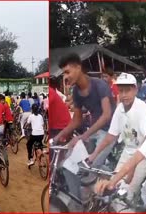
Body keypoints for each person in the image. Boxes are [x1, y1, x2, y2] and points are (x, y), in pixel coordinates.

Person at [53, 53, 115, 200]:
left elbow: (106, 115)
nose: (65, 77)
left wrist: (83, 136)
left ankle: (111, 187)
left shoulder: (99, 85)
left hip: (110, 133)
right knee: (68, 165)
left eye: (67, 72)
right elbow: (77, 120)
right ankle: (77, 202)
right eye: (63, 73)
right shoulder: (76, 92)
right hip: (94, 132)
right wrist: (56, 138)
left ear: (78, 67)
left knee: (88, 168)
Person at [88, 72, 146, 201]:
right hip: (128, 151)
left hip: (144, 155)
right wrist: (93, 156)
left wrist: (132, 168)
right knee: (112, 187)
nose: (124, 95)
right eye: (121, 91)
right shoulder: (119, 109)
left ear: (135, 89)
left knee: (125, 193)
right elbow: (111, 135)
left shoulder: (141, 108)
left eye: (128, 91)